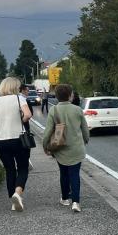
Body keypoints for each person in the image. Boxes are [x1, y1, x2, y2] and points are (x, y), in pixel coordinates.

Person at [43, 84, 90, 212]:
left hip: (60, 149)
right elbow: (85, 129)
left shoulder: (53, 110)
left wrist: (45, 146)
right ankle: (76, 202)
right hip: (76, 148)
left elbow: (48, 131)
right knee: (75, 174)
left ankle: (64, 198)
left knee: (64, 174)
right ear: (70, 96)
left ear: (57, 96)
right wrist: (85, 140)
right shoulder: (77, 109)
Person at [0, 77, 32, 211]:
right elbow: (28, 115)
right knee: (23, 168)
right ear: (15, 87)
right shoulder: (20, 99)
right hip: (19, 140)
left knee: (9, 170)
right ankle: (18, 194)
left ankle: (13, 201)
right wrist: (21, 120)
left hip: (1, 141)